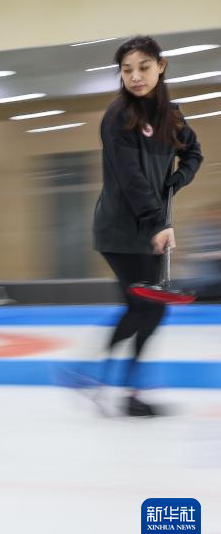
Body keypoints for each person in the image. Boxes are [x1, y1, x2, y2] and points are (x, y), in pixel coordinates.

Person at [92, 35, 203, 416]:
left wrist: (177, 179)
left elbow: (194, 152)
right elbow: (131, 178)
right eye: (126, 70)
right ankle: (120, 389)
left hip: (150, 226)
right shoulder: (118, 117)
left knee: (146, 308)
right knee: (147, 306)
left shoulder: (171, 116)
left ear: (161, 66)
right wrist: (158, 222)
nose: (135, 76)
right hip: (120, 229)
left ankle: (109, 383)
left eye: (143, 67)